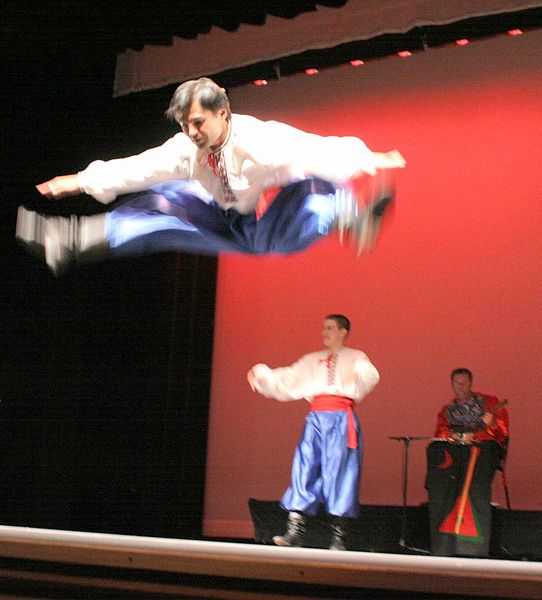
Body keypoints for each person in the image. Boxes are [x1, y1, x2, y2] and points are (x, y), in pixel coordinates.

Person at [16, 77, 406, 274]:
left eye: (198, 122)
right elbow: (139, 168)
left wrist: (365, 157)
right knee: (161, 202)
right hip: (218, 211)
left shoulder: (260, 142)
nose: (193, 133)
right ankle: (68, 240)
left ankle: (351, 216)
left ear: (223, 113)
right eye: (187, 125)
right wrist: (78, 181)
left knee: (317, 192)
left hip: (259, 222)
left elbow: (313, 149)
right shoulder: (186, 149)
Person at [247, 314, 380, 550]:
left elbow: (369, 374)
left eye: (330, 328)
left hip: (340, 420)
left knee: (340, 473)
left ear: (343, 332)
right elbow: (288, 377)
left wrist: (358, 374)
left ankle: (339, 538)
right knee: (304, 468)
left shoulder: (355, 356)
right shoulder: (312, 359)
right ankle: (295, 532)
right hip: (316, 420)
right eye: (323, 327)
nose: (324, 332)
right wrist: (262, 375)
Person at [425, 368, 509, 557]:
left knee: (475, 491)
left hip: (480, 452)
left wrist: (492, 423)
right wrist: (452, 436)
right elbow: (441, 432)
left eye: (465, 382)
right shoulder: (447, 411)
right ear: (452, 385)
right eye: (457, 383)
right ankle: (444, 546)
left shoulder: (490, 403)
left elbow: (501, 432)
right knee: (439, 462)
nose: (461, 386)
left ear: (471, 383)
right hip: (455, 454)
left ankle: (473, 549)